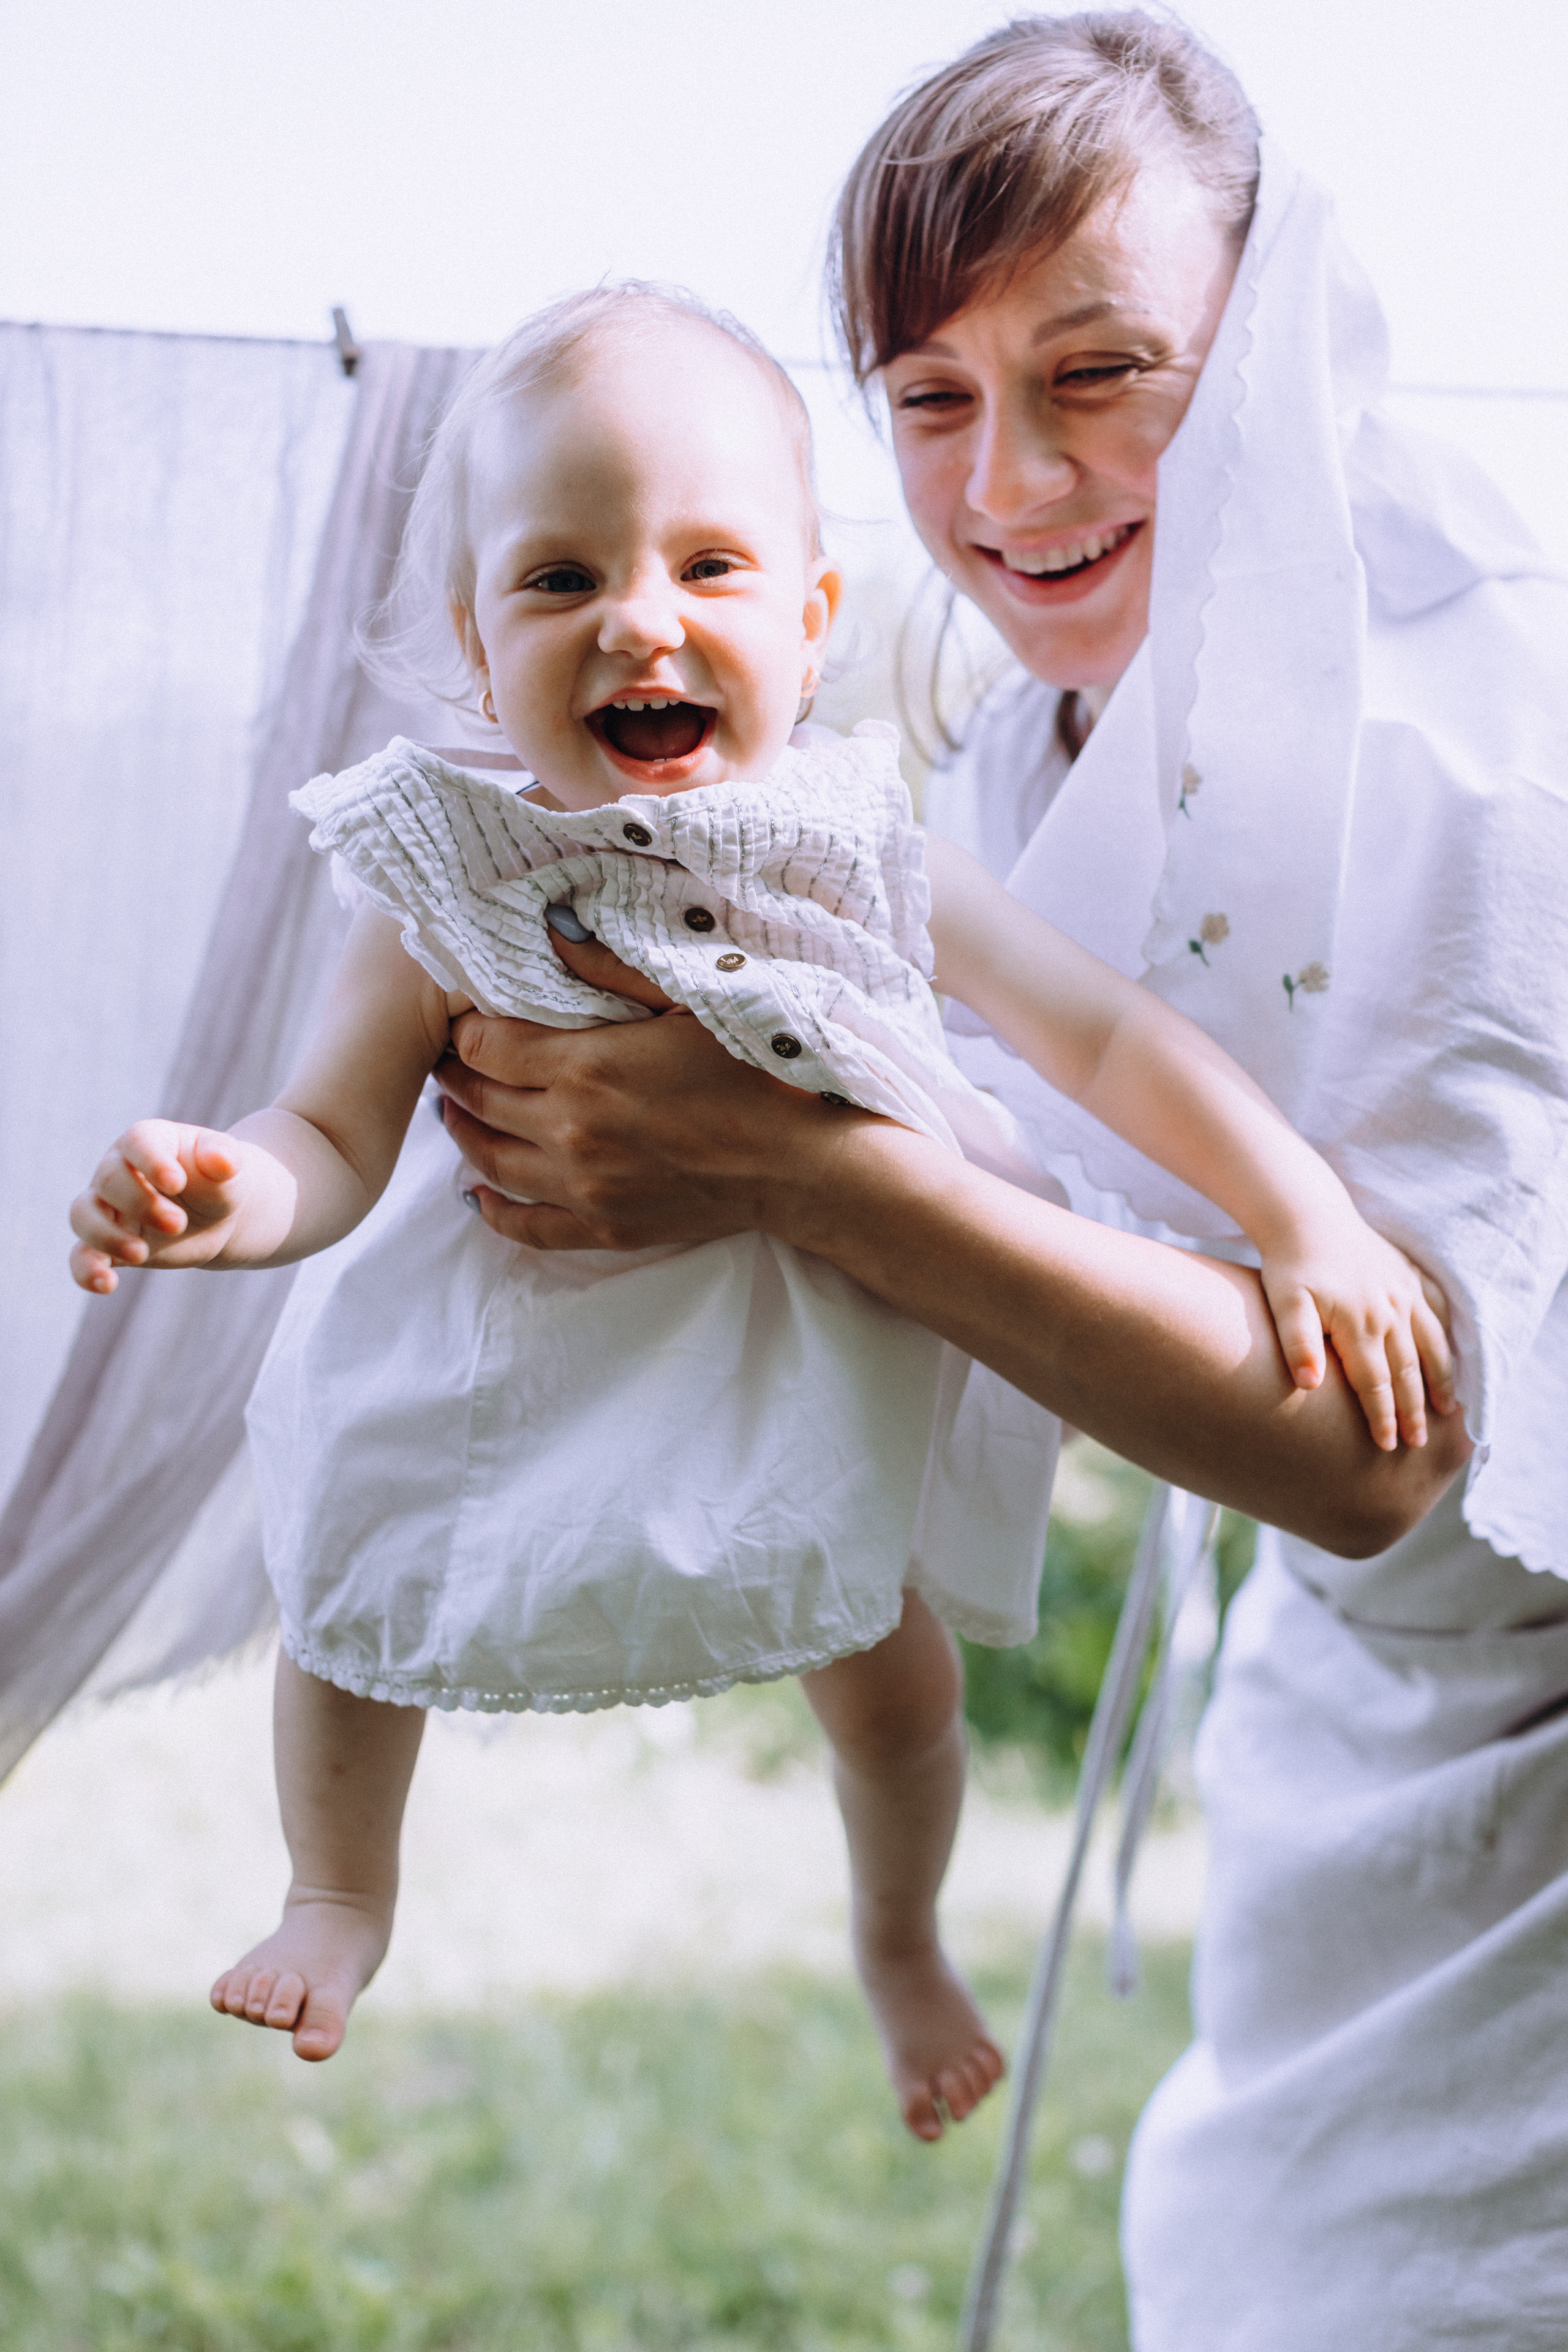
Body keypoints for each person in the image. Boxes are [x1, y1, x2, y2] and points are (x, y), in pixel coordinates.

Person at [421, 17, 1568, 2348]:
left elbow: (1386, 1454)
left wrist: (792, 1173)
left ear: (1264, 343)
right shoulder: (1048, 699)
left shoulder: (1480, 742)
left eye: (1102, 370)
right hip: (1347, 1698)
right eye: (925, 398)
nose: (1013, 478)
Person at [67, 282, 1448, 2150]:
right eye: (560, 582)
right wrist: (225, 1193)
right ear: (481, 649)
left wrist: (1305, 1217)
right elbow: (326, 1131)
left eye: (709, 566)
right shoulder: (436, 876)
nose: (642, 617)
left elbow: (1113, 1037)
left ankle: (900, 1938)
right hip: (499, 1349)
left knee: (890, 1684)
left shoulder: (866, 850)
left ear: (811, 624)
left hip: (789, 1356)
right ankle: (339, 1888)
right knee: (345, 1582)